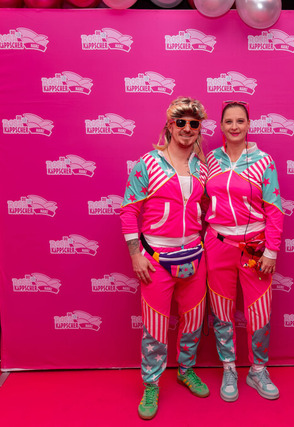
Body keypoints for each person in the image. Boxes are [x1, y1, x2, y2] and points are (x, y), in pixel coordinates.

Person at [120, 97, 210, 420]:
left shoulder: (203, 167)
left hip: (195, 257)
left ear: (199, 129)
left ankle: (186, 370)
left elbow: (209, 208)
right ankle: (152, 383)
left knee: (193, 322)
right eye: (180, 122)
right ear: (170, 126)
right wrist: (136, 255)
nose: (187, 129)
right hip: (156, 259)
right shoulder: (148, 164)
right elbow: (128, 211)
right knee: (155, 327)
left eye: (193, 124)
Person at [204, 100, 284, 402]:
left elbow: (274, 209)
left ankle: (257, 370)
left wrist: (271, 252)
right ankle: (229, 368)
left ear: (249, 125)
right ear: (221, 126)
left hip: (255, 247)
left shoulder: (264, 161)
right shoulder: (210, 159)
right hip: (217, 244)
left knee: (259, 313)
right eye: (229, 121)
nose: (234, 126)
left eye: (240, 121)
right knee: (221, 311)